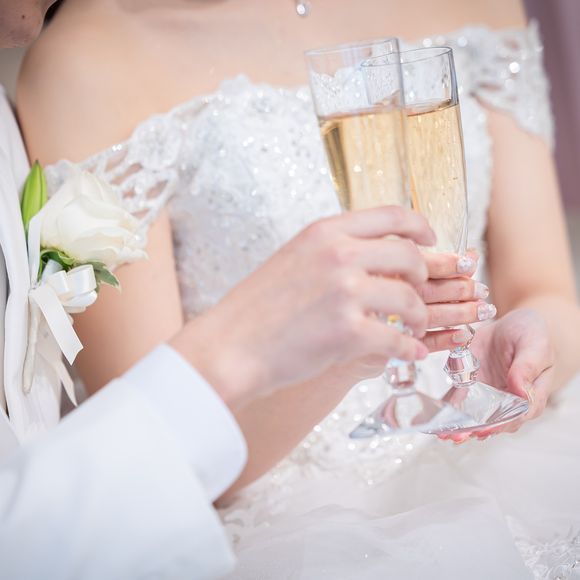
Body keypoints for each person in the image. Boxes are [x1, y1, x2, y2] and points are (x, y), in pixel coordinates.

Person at [17, 0, 580, 577]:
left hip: (508, 460)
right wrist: (342, 364)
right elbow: (162, 455)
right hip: (296, 524)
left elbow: (545, 290)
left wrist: (534, 352)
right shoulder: (90, 59)